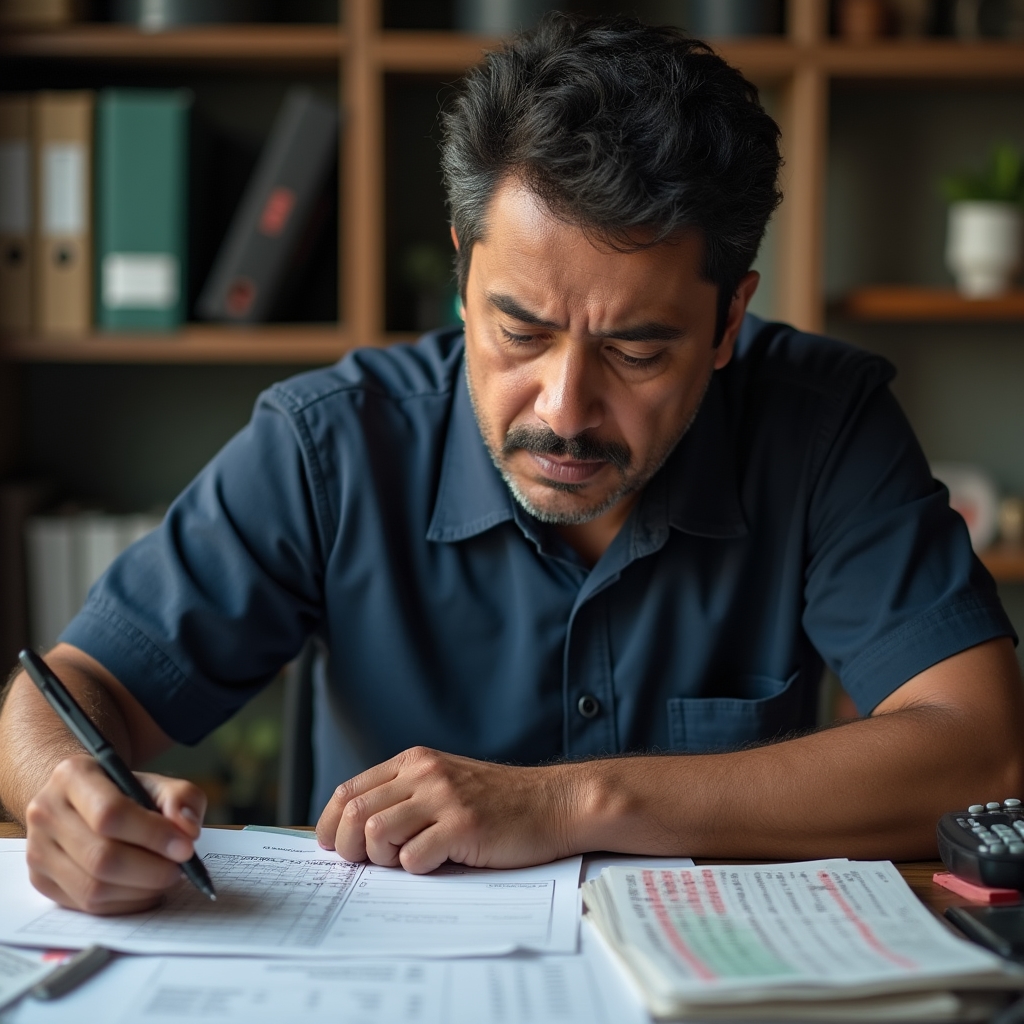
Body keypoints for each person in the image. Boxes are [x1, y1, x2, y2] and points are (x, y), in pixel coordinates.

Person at [1, 14, 1022, 917]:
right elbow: (72, 687)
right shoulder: (330, 442)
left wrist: (568, 802)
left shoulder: (822, 427)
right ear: (460, 274)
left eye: (637, 349)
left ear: (727, 319)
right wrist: (70, 798)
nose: (563, 409)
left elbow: (981, 751)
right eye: (519, 331)